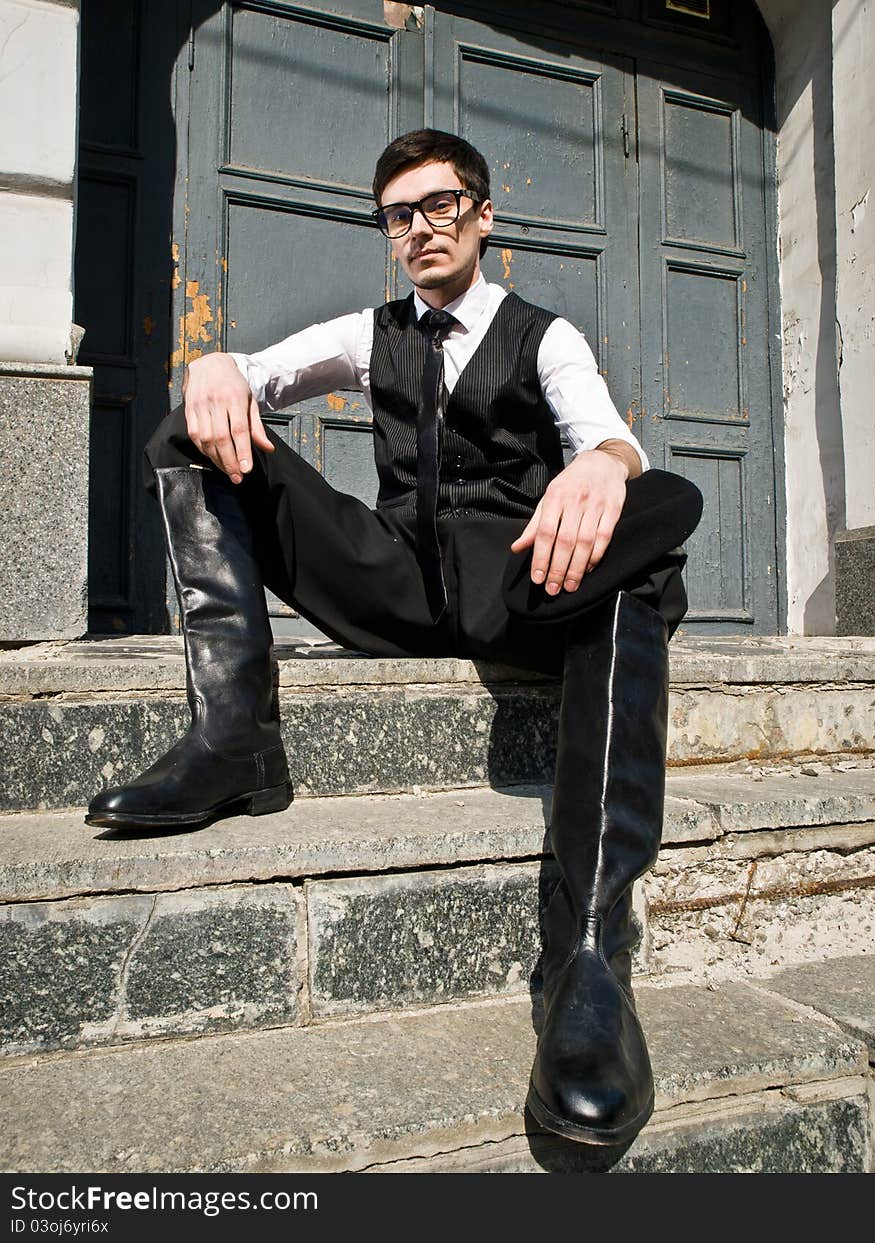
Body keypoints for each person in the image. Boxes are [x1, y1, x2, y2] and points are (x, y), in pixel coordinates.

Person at [86, 129, 700, 1150]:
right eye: (399, 214)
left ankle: (589, 951)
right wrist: (213, 365)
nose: (420, 227)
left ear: (484, 214)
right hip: (395, 582)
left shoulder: (542, 335)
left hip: (521, 584)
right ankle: (233, 737)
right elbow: (257, 374)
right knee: (192, 428)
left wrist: (603, 465)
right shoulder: (371, 334)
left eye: (440, 204)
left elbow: (602, 432)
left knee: (649, 531)